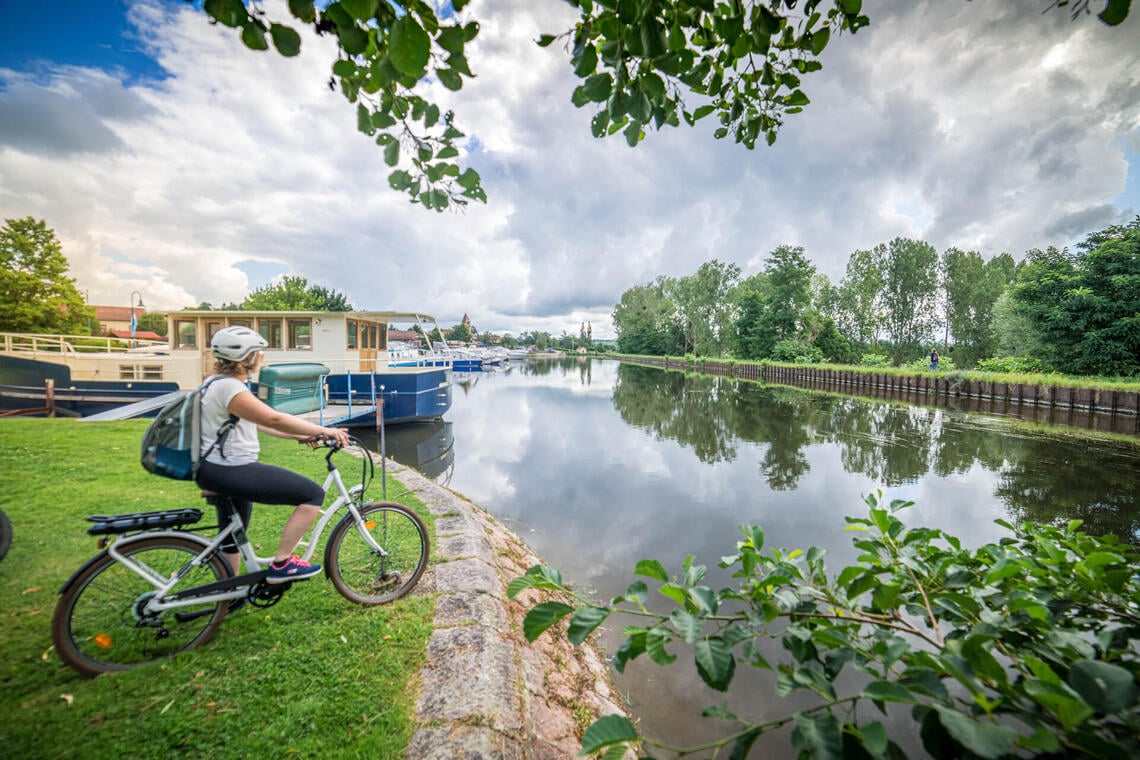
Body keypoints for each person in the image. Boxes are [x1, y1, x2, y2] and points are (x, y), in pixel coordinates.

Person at [196, 325, 351, 583]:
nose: (261, 359)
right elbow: (275, 418)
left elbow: (257, 423)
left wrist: (301, 436)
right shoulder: (230, 388)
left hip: (217, 468)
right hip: (231, 469)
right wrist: (324, 430)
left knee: (233, 537)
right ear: (247, 357)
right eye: (258, 353)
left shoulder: (216, 384)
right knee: (312, 495)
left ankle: (227, 593)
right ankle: (282, 564)